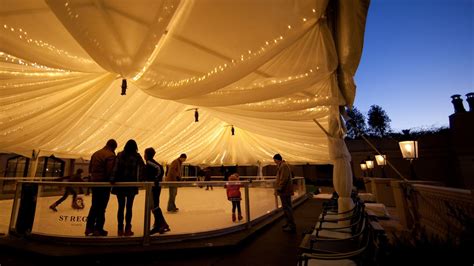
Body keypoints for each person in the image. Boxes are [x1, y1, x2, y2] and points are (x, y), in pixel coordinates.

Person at [110, 139, 145, 237]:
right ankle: (128, 229)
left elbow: (115, 168)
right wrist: (140, 180)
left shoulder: (120, 155)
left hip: (120, 184)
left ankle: (120, 229)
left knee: (120, 207)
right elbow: (142, 168)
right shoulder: (137, 156)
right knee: (129, 208)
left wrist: (112, 179)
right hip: (131, 185)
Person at [85, 139, 117, 237]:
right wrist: (112, 180)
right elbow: (110, 171)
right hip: (104, 184)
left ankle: (89, 227)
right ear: (113, 147)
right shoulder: (110, 155)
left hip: (94, 183)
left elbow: (90, 169)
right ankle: (99, 229)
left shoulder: (95, 153)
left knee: (94, 205)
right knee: (102, 207)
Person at [143, 147, 170, 235]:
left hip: (154, 187)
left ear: (147, 155)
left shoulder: (149, 162)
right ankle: (158, 225)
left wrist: (155, 179)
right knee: (154, 205)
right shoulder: (150, 162)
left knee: (154, 205)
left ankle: (163, 224)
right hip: (154, 186)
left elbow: (160, 169)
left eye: (145, 154)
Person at [273, 153, 296, 233]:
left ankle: (291, 225)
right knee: (286, 208)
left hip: (285, 191)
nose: (275, 162)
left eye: (275, 160)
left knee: (287, 208)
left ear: (277, 159)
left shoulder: (283, 166)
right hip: (284, 191)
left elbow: (283, 178)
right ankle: (288, 223)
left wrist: (279, 188)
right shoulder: (282, 166)